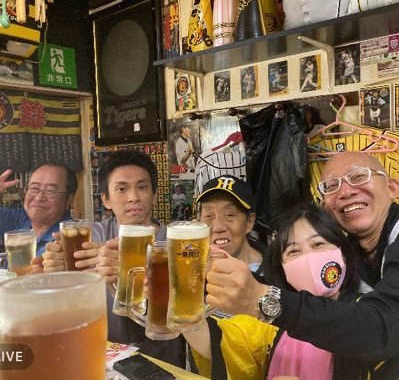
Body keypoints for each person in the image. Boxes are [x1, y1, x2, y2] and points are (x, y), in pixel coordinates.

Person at [205, 151, 399, 378]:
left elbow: (383, 330)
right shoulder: (354, 256)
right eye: (331, 186)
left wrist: (265, 301)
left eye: (358, 177)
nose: (345, 192)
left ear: (392, 188)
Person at [41, 150, 186, 368]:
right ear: (106, 200)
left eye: (142, 187)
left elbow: (187, 311)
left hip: (162, 363)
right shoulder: (89, 237)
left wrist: (133, 271)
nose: (133, 197)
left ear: (154, 194)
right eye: (122, 189)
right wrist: (55, 273)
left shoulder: (175, 243)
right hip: (100, 360)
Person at [184, 203, 363, 379]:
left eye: (317, 244)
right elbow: (218, 343)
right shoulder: (271, 318)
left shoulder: (368, 315)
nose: (308, 257)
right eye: (293, 251)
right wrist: (182, 294)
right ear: (282, 268)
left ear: (343, 253)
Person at [0, 164, 77, 256]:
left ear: (69, 199)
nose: (38, 198)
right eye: (34, 188)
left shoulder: (70, 240)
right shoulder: (20, 218)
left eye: (50, 191)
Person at [196, 175, 263, 276]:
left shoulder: (277, 272)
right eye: (208, 216)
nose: (218, 227)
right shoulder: (191, 272)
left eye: (229, 215)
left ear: (250, 221)